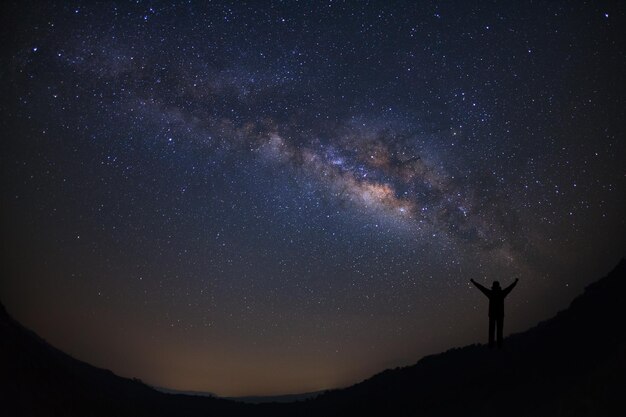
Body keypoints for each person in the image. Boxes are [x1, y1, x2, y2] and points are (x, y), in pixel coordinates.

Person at [470, 278, 519, 348]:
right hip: (500, 315)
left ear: (493, 287)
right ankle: (499, 346)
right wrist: (515, 282)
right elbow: (509, 288)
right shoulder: (501, 293)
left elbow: (482, 288)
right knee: (499, 331)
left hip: (492, 315)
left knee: (491, 331)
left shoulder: (491, 294)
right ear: (498, 286)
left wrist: (474, 282)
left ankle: (491, 346)